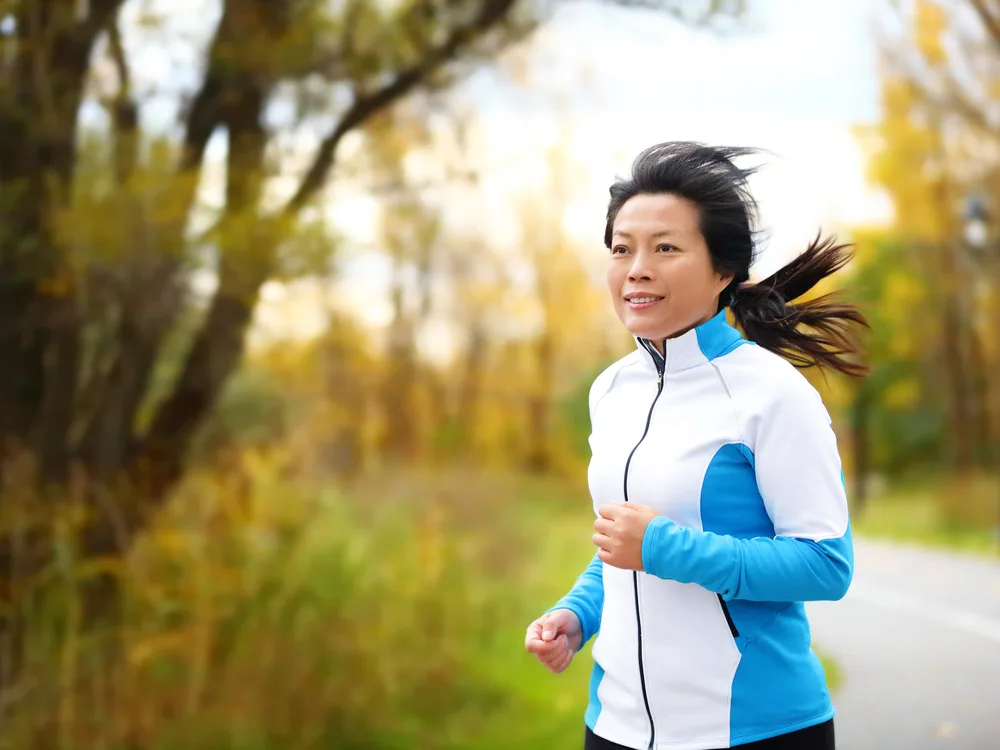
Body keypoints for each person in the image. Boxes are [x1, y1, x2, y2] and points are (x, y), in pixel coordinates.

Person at [523, 141, 868, 750]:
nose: (637, 268)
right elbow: (622, 544)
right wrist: (577, 615)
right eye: (621, 249)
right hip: (615, 726)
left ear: (723, 270)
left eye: (666, 248)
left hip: (753, 728)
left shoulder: (771, 393)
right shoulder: (611, 390)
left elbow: (825, 565)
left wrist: (666, 549)